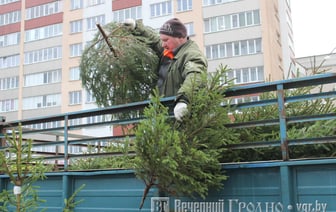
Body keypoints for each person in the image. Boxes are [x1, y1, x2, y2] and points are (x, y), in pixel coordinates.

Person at [123, 18, 208, 121]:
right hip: (164, 116)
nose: (163, 44)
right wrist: (136, 27)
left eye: (166, 40)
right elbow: (154, 40)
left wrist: (183, 100)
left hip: (181, 117)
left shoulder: (191, 55)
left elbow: (195, 76)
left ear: (180, 37)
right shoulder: (170, 50)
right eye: (162, 40)